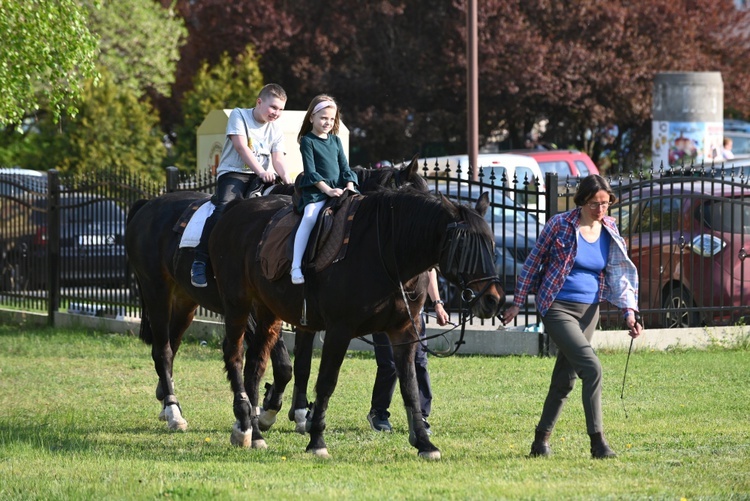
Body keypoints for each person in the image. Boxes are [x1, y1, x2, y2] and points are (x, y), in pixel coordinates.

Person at [501, 174, 643, 459]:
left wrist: (629, 312)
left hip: (590, 310)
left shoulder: (611, 229)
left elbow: (618, 273)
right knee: (592, 368)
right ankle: (597, 442)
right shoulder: (560, 224)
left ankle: (540, 441)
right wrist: (517, 302)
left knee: (565, 378)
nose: (600, 209)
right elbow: (532, 263)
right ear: (581, 201)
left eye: (605, 203)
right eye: (594, 203)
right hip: (556, 306)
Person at [190, 83, 293, 287]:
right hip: (234, 174)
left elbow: (278, 159)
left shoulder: (276, 130)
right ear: (259, 102)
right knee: (224, 208)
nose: (276, 113)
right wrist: (262, 171)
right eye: (273, 107)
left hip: (261, 178)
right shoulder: (239, 116)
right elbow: (240, 147)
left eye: (281, 109)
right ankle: (200, 260)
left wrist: (288, 180)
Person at [367, 268, 450, 434]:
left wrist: (438, 304)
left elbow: (429, 271)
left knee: (419, 362)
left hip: (413, 315)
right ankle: (378, 412)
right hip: (385, 312)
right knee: (389, 365)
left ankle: (420, 417)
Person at [291, 94, 358, 284]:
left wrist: (350, 187)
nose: (327, 122)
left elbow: (345, 167)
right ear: (311, 117)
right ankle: (296, 265)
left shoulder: (336, 141)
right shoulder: (307, 141)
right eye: (323, 118)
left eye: (331, 118)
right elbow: (310, 171)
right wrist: (328, 191)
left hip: (340, 188)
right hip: (317, 190)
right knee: (310, 217)